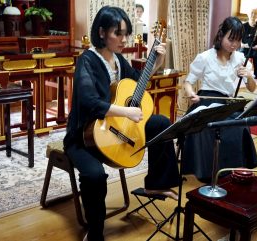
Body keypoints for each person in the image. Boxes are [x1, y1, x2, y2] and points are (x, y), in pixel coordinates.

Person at [63, 6, 179, 241]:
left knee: (161, 122)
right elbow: (88, 102)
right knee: (95, 176)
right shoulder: (87, 60)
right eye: (119, 33)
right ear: (102, 32)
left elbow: (137, 84)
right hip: (83, 135)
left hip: (113, 129)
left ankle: (157, 183)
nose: (124, 39)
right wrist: (126, 112)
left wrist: (156, 62)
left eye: (126, 33)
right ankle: (95, 232)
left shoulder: (118, 60)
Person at [182, 17, 257, 183]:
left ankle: (231, 170)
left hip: (227, 104)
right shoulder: (205, 57)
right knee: (206, 127)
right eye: (231, 39)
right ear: (221, 35)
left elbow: (252, 88)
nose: (234, 44)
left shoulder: (240, 59)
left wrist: (249, 76)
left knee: (240, 125)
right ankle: (207, 171)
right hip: (206, 100)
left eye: (238, 41)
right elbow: (188, 82)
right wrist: (191, 94)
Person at [240, 8, 257, 79]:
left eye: (255, 13)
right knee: (241, 54)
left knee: (256, 54)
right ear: (248, 14)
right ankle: (241, 72)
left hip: (254, 47)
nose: (253, 15)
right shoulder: (244, 26)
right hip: (245, 47)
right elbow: (239, 38)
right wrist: (241, 44)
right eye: (252, 12)